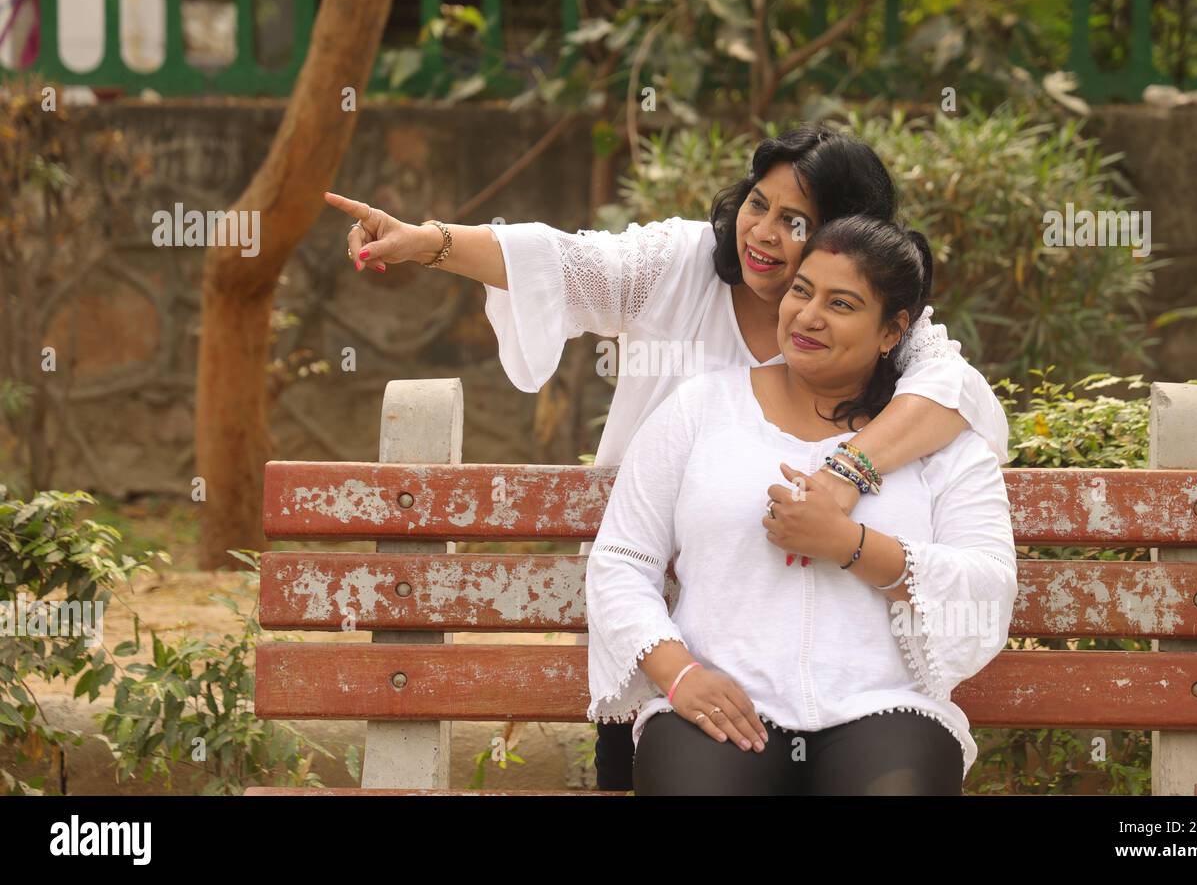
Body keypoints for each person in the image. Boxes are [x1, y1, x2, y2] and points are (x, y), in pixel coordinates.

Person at [324, 123, 1010, 790]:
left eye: (797, 222)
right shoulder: (682, 270)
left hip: (841, 659)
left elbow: (954, 396)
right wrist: (428, 243)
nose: (765, 233)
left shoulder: (895, 331)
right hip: (670, 625)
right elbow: (564, 259)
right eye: (759, 204)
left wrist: (843, 482)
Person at [585, 214, 1018, 794]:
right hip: (720, 697)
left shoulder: (942, 443)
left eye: (841, 304)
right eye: (801, 291)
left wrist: (851, 546)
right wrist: (679, 673)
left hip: (883, 707)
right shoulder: (701, 409)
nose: (808, 317)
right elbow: (620, 559)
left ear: (893, 331)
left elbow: (988, 586)